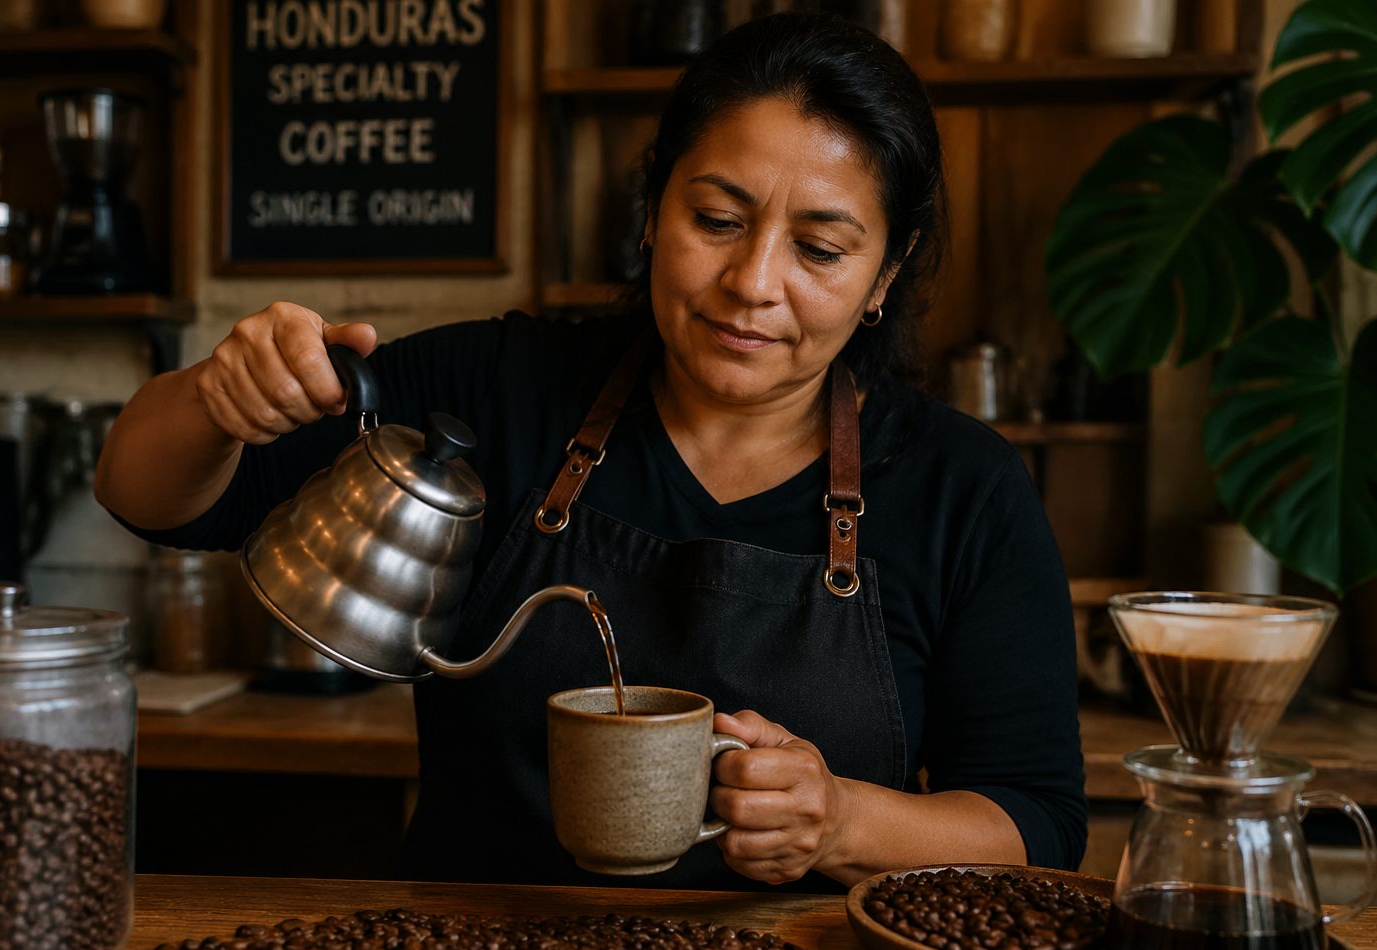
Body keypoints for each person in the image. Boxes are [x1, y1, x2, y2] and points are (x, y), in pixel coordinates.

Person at [97, 12, 1086, 892]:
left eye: (820, 249)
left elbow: (1036, 823)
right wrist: (217, 397)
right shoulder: (495, 386)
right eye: (717, 220)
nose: (753, 282)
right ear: (653, 209)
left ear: (886, 271)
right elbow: (150, 495)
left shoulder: (965, 488)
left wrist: (842, 822)